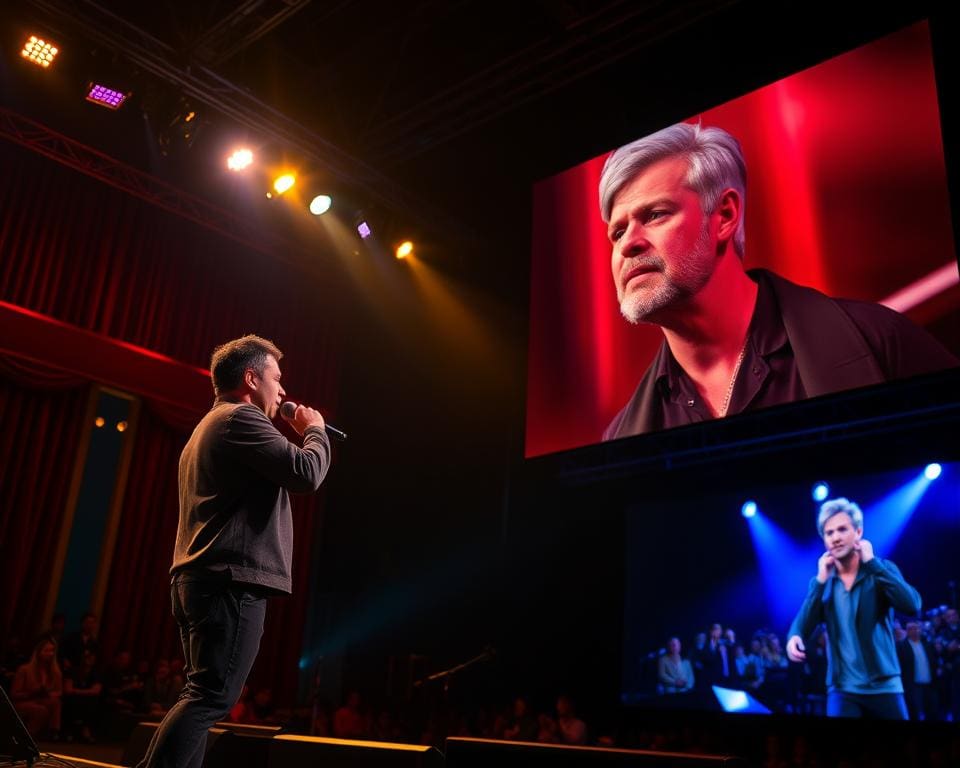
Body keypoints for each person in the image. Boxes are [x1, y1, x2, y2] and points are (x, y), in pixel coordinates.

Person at [598, 122, 959, 439]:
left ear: (724, 215)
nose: (628, 243)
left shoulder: (881, 341)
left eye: (655, 214)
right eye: (617, 232)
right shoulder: (621, 434)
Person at [135, 334, 332, 768]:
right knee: (211, 698)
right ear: (250, 377)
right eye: (276, 378)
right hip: (228, 579)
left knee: (202, 696)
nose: (283, 390)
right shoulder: (239, 419)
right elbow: (306, 472)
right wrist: (314, 430)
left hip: (202, 579)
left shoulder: (211, 425)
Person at [786, 498, 920, 718]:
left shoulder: (881, 570)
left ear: (858, 532)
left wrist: (872, 563)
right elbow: (803, 624)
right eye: (829, 533)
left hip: (884, 685)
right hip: (842, 690)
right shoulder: (822, 583)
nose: (836, 537)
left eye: (842, 529)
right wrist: (795, 635)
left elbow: (912, 604)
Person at [10, 636, 62, 739]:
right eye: (46, 651)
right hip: (25, 700)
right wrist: (33, 691)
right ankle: (26, 737)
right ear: (38, 652)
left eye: (52, 651)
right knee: (40, 710)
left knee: (55, 703)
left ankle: (53, 732)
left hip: (42, 699)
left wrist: (48, 693)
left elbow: (59, 691)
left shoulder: (55, 672)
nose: (50, 654)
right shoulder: (25, 670)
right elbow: (14, 694)